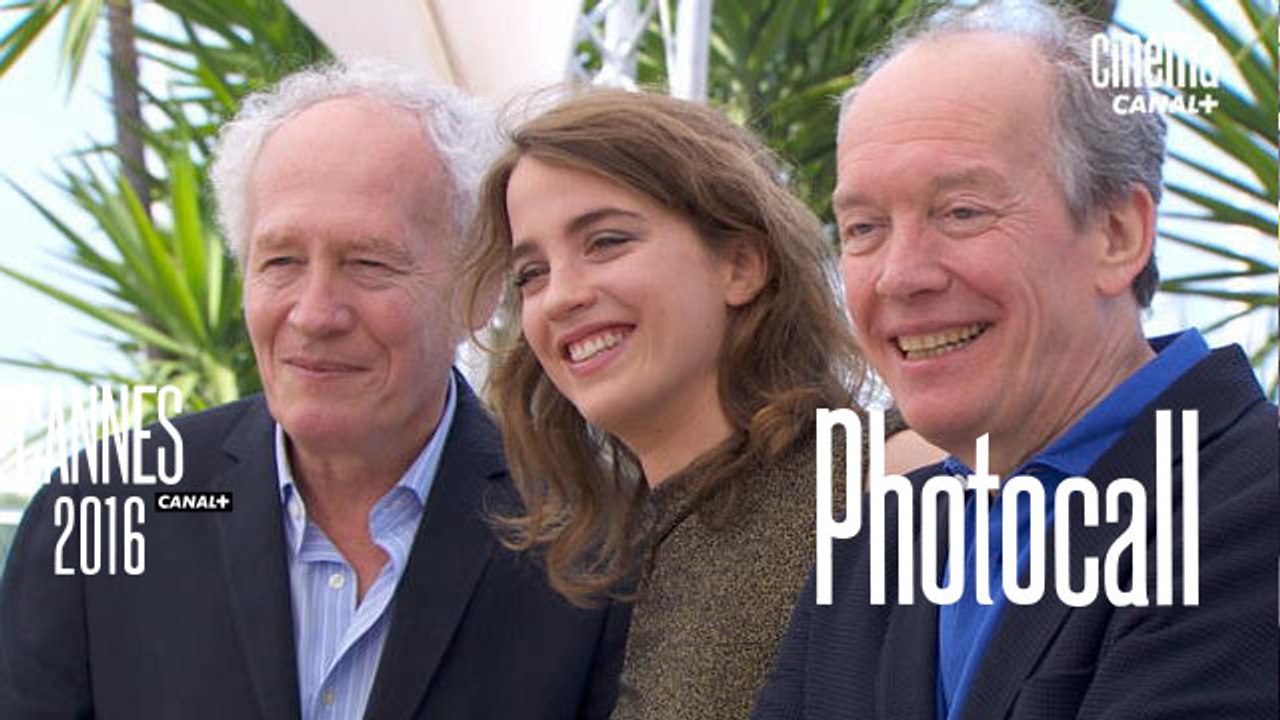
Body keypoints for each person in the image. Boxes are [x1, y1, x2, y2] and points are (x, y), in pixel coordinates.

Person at [0, 63, 625, 720]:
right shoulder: (106, 510)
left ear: (479, 291)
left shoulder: (590, 538)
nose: (314, 313)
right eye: (281, 262)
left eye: (369, 263)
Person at [754, 3, 1278, 719]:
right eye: (864, 228)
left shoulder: (1251, 501)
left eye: (962, 211)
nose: (900, 275)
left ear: (1118, 234)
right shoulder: (872, 551)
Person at [460, 88, 941, 720]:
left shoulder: (890, 477)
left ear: (739, 264)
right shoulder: (601, 566)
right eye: (532, 274)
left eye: (604, 241)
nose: (559, 298)